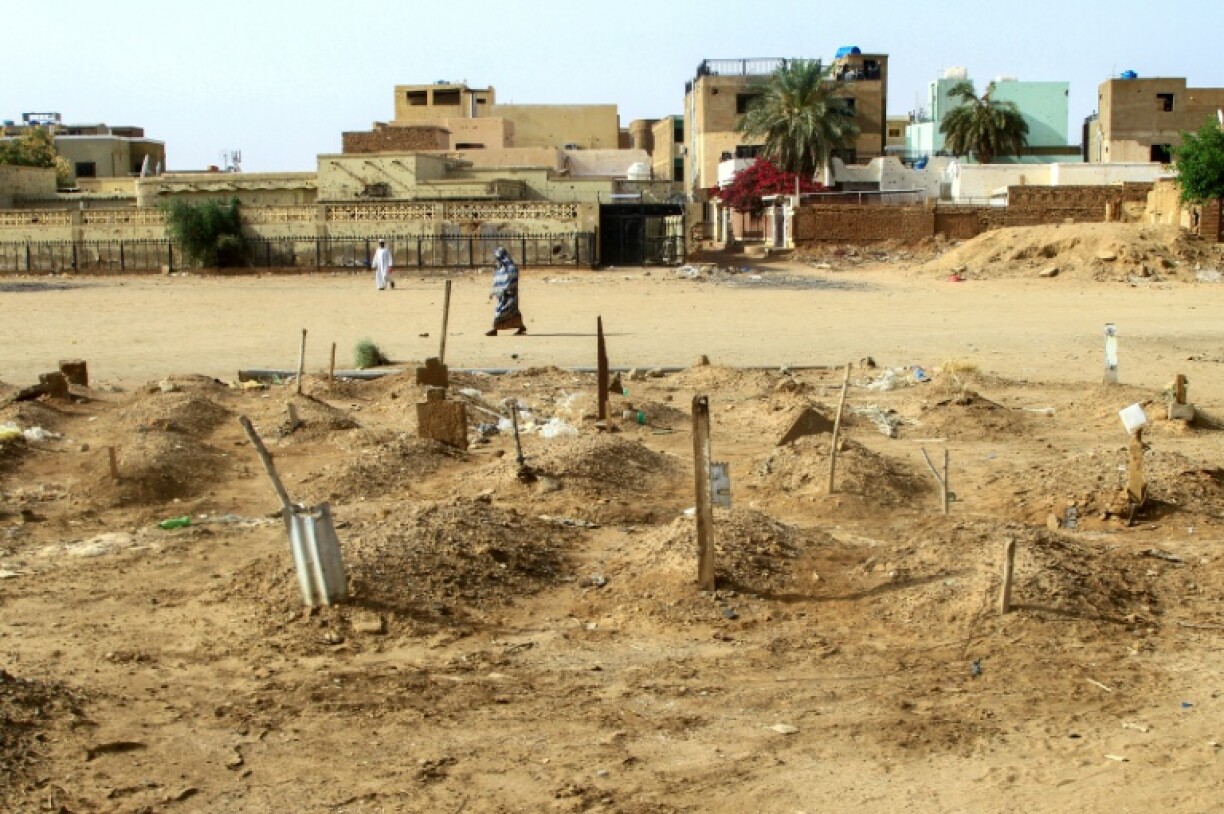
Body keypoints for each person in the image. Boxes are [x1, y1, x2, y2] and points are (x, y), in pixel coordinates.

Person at [486, 246, 526, 336]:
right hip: (502, 297)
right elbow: (497, 281)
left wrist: (505, 290)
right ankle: (521, 327)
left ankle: (494, 329)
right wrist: (494, 291)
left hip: (510, 295)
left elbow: (512, 282)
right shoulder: (499, 269)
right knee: (511, 312)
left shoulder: (512, 268)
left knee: (501, 312)